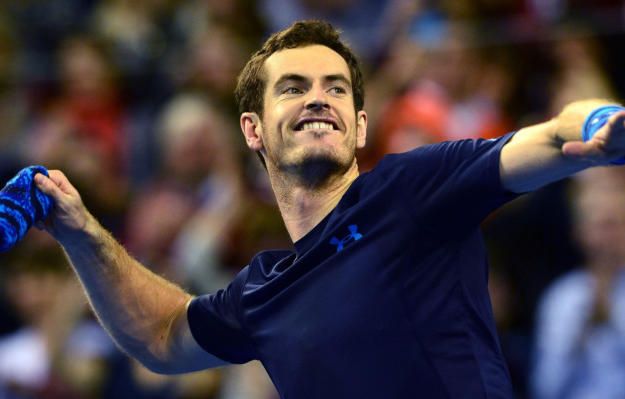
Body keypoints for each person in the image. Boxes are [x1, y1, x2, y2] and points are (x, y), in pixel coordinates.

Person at [31, 20, 625, 398]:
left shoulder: (411, 190)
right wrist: (80, 230)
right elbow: (159, 336)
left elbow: (547, 137)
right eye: (293, 87)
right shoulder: (260, 292)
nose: (319, 97)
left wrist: (599, 126)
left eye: (336, 87)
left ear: (361, 125)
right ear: (253, 130)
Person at [529, 166, 625, 399]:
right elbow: (545, 387)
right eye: (603, 225)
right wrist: (578, 335)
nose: (610, 236)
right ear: (580, 232)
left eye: (618, 224)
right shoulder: (563, 297)